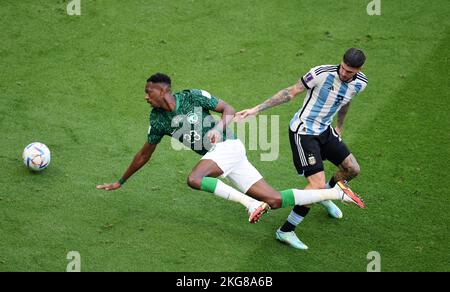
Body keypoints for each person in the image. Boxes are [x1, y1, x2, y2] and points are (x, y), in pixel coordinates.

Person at [97, 73, 364, 229]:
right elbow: (144, 154)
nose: (145, 96)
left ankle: (249, 204)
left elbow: (228, 109)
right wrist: (121, 181)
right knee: (273, 200)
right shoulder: (157, 120)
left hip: (228, 147)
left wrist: (219, 127)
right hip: (224, 159)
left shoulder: (191, 96)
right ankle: (336, 193)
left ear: (163, 90)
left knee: (195, 179)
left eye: (148, 91)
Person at [236, 48, 368, 249]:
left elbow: (345, 101)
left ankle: (327, 194)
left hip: (325, 130)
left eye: (349, 71)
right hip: (303, 131)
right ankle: (286, 231)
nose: (343, 73)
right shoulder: (321, 74)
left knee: (352, 169)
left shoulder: (360, 83)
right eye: (342, 67)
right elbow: (290, 92)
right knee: (314, 185)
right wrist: (256, 109)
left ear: (358, 70)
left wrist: (339, 127)